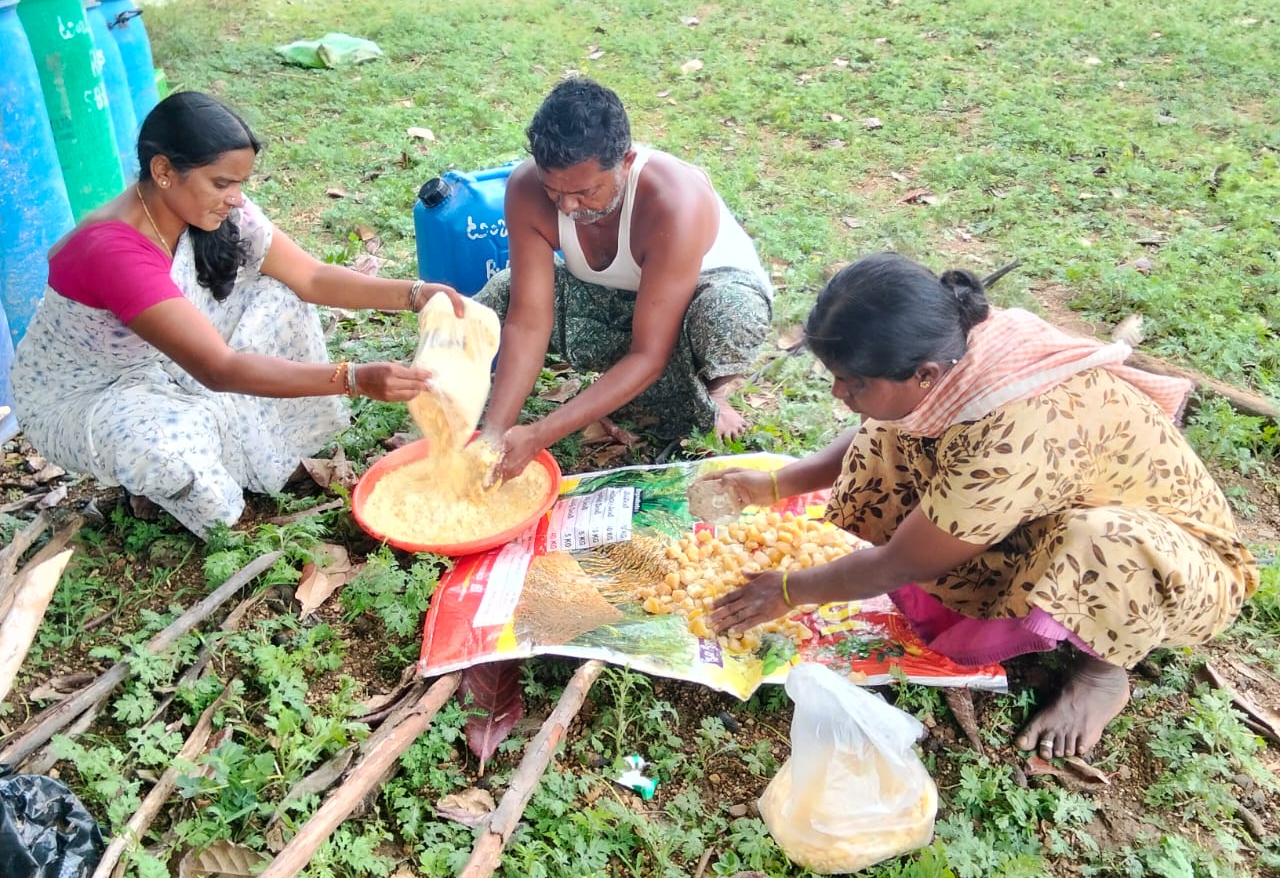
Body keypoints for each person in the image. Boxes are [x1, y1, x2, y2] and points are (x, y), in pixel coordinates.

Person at [703, 252, 1257, 759]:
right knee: (891, 434)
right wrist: (773, 486)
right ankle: (998, 587)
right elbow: (883, 426)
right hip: (1048, 503)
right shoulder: (948, 347)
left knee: (1102, 541)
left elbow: (898, 565)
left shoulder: (1011, 432)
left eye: (852, 383)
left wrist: (785, 590)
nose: (837, 395)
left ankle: (1103, 673)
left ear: (925, 375)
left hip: (1174, 565)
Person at [12, 92, 462, 537]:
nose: (235, 198)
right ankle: (193, 502)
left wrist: (415, 294)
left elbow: (311, 277)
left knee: (281, 296)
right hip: (89, 394)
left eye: (240, 184)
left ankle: (270, 453)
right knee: (164, 445)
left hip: (162, 359)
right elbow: (219, 369)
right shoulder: (114, 251)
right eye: (222, 183)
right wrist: (353, 378)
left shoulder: (210, 209)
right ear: (163, 171)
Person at [476, 77, 773, 481]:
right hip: (615, 302)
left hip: (692, 306)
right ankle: (642, 394)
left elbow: (649, 353)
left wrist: (540, 435)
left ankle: (714, 391)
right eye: (554, 192)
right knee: (507, 289)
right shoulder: (526, 190)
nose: (568, 206)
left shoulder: (675, 203)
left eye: (585, 192)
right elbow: (528, 322)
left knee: (727, 314)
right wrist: (495, 433)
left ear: (627, 162)